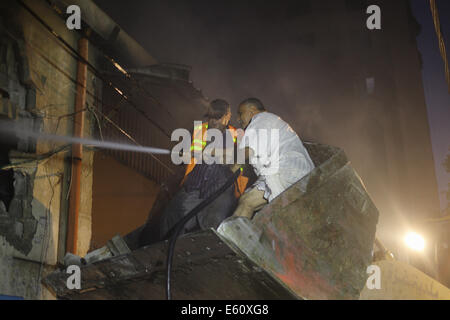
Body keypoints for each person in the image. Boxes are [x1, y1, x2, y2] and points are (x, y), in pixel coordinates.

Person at [155, 99, 250, 241]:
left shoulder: (238, 135)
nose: (213, 122)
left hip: (221, 191)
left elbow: (240, 159)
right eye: (210, 117)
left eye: (217, 118)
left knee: (213, 228)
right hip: (194, 185)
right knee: (172, 219)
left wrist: (215, 153)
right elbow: (188, 153)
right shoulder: (200, 130)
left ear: (227, 116)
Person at [233, 98, 315, 219]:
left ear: (252, 110)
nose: (238, 119)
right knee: (253, 208)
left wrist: (232, 167)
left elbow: (247, 150)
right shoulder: (270, 121)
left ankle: (230, 236)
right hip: (292, 174)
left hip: (288, 172)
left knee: (247, 201)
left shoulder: (261, 118)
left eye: (240, 113)